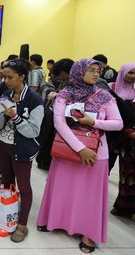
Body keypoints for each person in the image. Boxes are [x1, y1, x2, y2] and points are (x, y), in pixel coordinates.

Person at [37, 59, 123, 253]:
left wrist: (93, 122)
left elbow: (118, 123)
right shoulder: (65, 94)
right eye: (91, 70)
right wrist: (79, 148)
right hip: (67, 149)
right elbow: (59, 123)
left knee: (91, 195)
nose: (95, 74)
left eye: (97, 71)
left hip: (96, 153)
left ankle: (88, 233)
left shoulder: (104, 96)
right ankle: (56, 220)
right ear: (79, 71)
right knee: (62, 188)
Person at [0, 59, 44, 242]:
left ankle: (22, 224)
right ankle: (7, 212)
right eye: (4, 77)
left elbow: (33, 131)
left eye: (10, 77)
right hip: (3, 144)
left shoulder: (34, 99)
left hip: (22, 148)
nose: (6, 80)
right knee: (7, 181)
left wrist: (15, 117)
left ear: (22, 76)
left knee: (24, 186)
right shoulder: (6, 94)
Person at [36, 58, 74, 170]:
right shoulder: (66, 83)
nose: (63, 81)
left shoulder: (92, 86)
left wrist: (57, 97)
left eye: (64, 79)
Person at [110, 63, 135, 218]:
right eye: (130, 72)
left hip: (130, 139)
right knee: (124, 174)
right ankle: (123, 207)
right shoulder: (110, 88)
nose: (132, 76)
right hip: (115, 136)